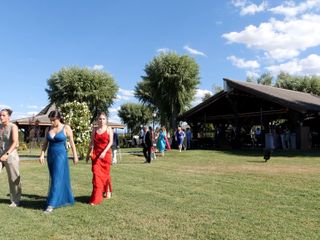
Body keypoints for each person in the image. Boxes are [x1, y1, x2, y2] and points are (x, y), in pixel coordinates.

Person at [39, 110, 78, 213]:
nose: (52, 123)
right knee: (54, 178)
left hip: (61, 156)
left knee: (57, 178)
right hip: (51, 156)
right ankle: (60, 199)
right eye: (50, 120)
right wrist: (42, 154)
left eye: (53, 120)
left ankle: (51, 204)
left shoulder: (66, 128)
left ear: (59, 118)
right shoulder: (48, 128)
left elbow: (72, 143)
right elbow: (45, 143)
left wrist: (75, 156)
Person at [86, 112, 113, 205]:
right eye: (100, 119)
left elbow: (110, 143)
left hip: (106, 155)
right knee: (97, 176)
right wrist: (88, 153)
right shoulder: (94, 130)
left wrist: (104, 152)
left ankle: (108, 191)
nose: (101, 121)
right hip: (96, 156)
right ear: (98, 120)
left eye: (103, 119)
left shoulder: (109, 129)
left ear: (106, 120)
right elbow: (92, 143)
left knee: (106, 175)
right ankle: (96, 198)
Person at [0, 109, 22, 207]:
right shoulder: (0, 127)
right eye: (0, 115)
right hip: (0, 154)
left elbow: (15, 142)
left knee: (14, 179)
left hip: (10, 155)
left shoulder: (13, 127)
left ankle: (15, 200)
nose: (1, 117)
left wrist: (7, 154)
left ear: (9, 117)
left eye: (4, 115)